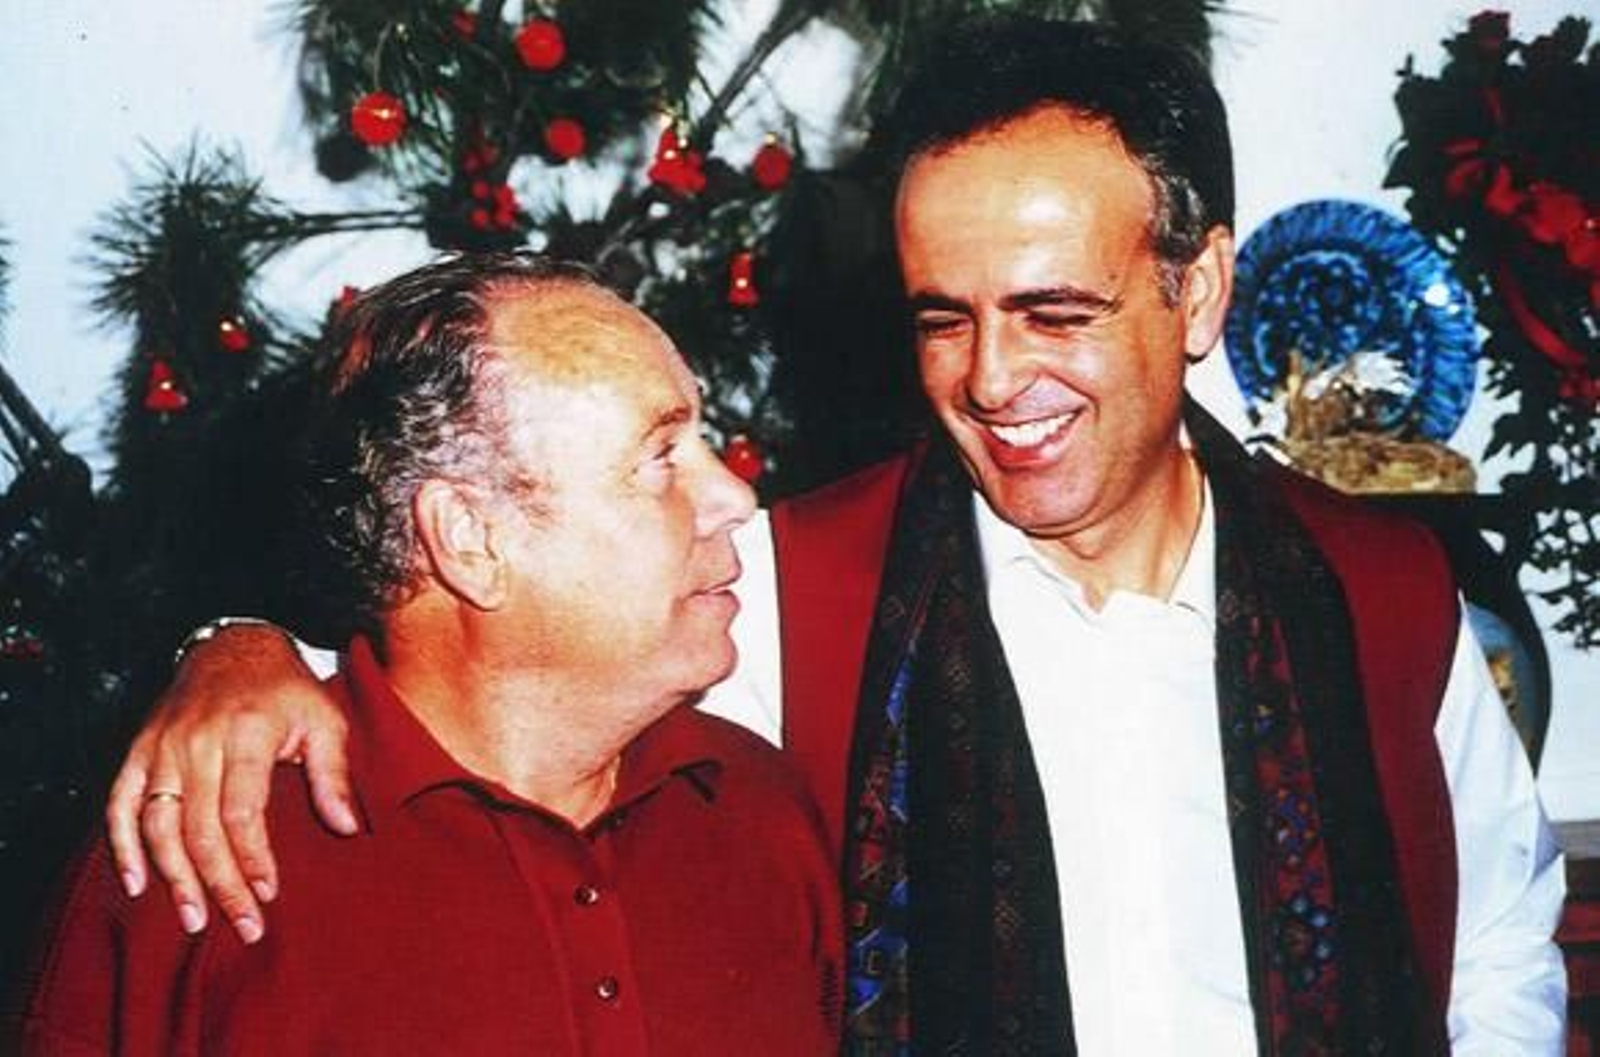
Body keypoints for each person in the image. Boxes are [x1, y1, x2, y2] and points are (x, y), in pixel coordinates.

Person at [98, 16, 1566, 1055]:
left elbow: (1497, 952)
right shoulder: (788, 592)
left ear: (1202, 291)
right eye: (945, 318)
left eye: (1055, 312)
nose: (992, 380)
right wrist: (238, 647)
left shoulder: (1388, 592)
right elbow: (477, 653)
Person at [14, 255, 842, 1055]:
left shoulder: (759, 808)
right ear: (469, 538)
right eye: (659, 458)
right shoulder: (205, 847)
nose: (735, 497)